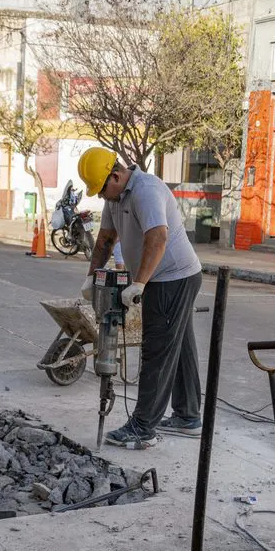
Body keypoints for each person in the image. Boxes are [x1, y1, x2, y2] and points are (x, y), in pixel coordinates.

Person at [78, 147, 204, 449]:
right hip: (164, 278)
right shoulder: (116, 196)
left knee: (157, 349)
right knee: (180, 346)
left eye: (102, 188)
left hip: (173, 277)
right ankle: (188, 417)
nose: (101, 196)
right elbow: (106, 239)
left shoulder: (146, 190)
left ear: (117, 175)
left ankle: (143, 427)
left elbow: (157, 237)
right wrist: (91, 276)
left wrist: (139, 283)